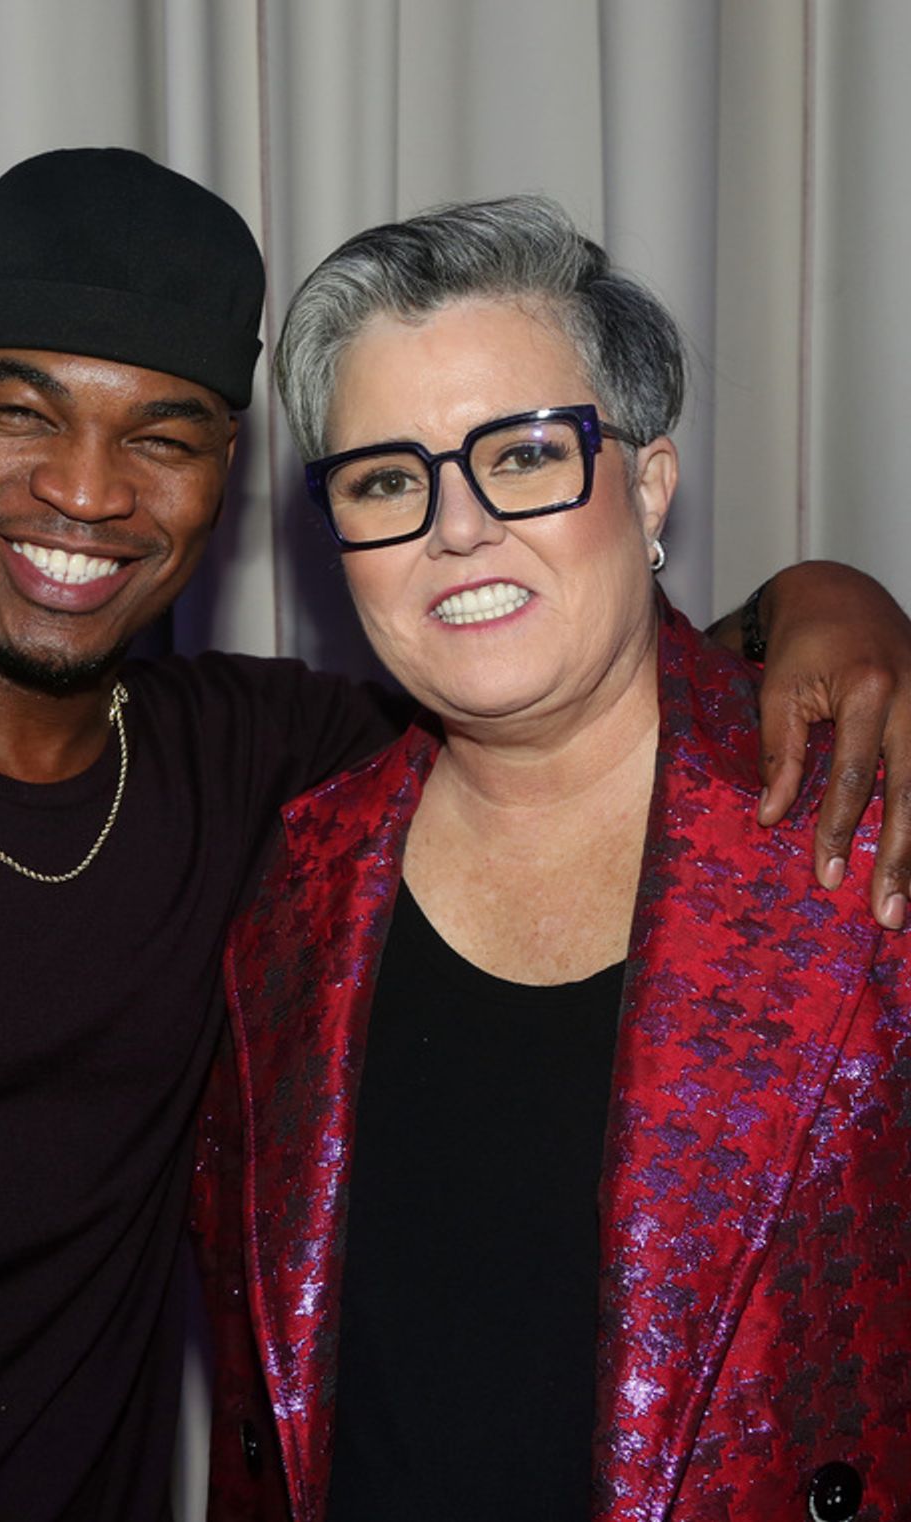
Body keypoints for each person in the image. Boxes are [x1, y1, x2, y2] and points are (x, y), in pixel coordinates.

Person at [0, 150, 904, 1522]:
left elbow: (578, 655)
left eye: (521, 455)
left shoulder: (264, 776)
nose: (87, 493)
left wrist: (833, 597)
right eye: (390, 479)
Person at [193, 196, 911, 1522]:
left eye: (522, 455)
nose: (454, 528)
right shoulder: (292, 890)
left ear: (647, 483)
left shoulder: (862, 847)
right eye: (388, 479)